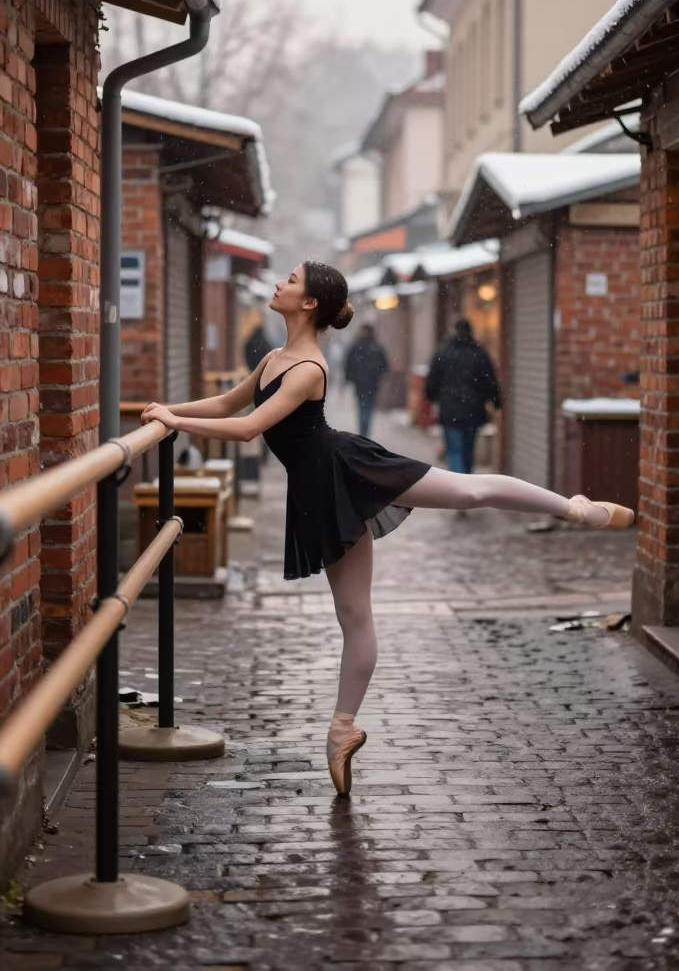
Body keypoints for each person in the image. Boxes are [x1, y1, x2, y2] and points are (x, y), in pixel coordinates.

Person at [142, 261, 634, 799]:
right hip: (320, 492)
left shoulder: (307, 366)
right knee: (354, 615)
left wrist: (175, 423)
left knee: (468, 491)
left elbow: (246, 429)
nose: (279, 283)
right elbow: (225, 404)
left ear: (309, 304)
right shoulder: (272, 359)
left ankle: (575, 509)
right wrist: (171, 409)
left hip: (348, 469)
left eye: (291, 279)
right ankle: (341, 730)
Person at [426, 318, 501, 476]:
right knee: (468, 450)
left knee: (454, 451)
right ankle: (465, 481)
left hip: (450, 410)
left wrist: (431, 397)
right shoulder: (479, 353)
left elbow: (432, 380)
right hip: (473, 410)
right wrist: (496, 401)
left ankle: (457, 486)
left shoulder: (443, 352)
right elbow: (490, 380)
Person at [344, 323, 388, 437]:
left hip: (360, 384)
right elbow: (384, 366)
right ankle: (365, 431)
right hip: (372, 384)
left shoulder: (356, 346)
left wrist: (350, 378)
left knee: (362, 406)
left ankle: (363, 431)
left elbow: (348, 364)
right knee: (368, 407)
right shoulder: (376, 347)